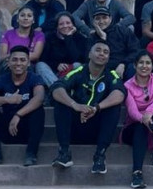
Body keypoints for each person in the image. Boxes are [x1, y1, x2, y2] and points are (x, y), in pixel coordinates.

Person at [50, 40, 127, 175]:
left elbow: (120, 94)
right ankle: (64, 152)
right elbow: (56, 88)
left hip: (97, 129)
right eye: (98, 50)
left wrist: (96, 108)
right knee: (62, 101)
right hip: (75, 127)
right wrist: (76, 106)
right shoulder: (79, 71)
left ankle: (100, 156)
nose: (101, 54)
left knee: (113, 107)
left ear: (108, 58)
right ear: (89, 54)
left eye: (105, 52)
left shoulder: (111, 75)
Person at [0, 45, 46, 166]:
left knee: (39, 110)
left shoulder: (35, 78)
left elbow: (39, 98)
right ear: (8, 62)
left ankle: (31, 153)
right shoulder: (2, 79)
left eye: (22, 60)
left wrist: (18, 114)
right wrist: (7, 99)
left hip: (27, 129)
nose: (18, 63)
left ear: (28, 63)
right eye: (14, 60)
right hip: (7, 129)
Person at [121, 51, 153, 189]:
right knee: (140, 127)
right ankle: (137, 173)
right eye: (141, 63)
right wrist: (145, 119)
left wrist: (149, 112)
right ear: (135, 65)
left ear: (152, 65)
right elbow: (132, 111)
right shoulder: (127, 85)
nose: (145, 66)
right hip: (135, 127)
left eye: (148, 63)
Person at [36, 11, 90, 87]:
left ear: (73, 25)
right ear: (57, 26)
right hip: (54, 73)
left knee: (78, 65)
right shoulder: (50, 38)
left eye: (68, 23)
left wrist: (68, 38)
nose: (65, 26)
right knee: (40, 65)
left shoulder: (80, 38)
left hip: (72, 72)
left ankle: (62, 90)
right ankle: (57, 89)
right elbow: (44, 58)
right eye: (61, 24)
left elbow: (79, 58)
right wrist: (57, 65)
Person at [90, 5, 140, 79]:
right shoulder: (92, 37)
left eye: (104, 17)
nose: (101, 21)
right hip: (102, 69)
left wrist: (123, 64)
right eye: (97, 19)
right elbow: (88, 57)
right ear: (93, 22)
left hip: (123, 67)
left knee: (132, 67)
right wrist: (103, 39)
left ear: (110, 19)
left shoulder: (123, 31)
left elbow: (136, 50)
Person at [0, 6, 45, 71]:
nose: (26, 18)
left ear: (33, 20)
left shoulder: (39, 35)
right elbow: (1, 57)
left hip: (28, 66)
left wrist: (14, 56)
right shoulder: (7, 34)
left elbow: (35, 56)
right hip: (9, 64)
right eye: (22, 15)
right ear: (17, 19)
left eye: (29, 16)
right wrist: (15, 60)